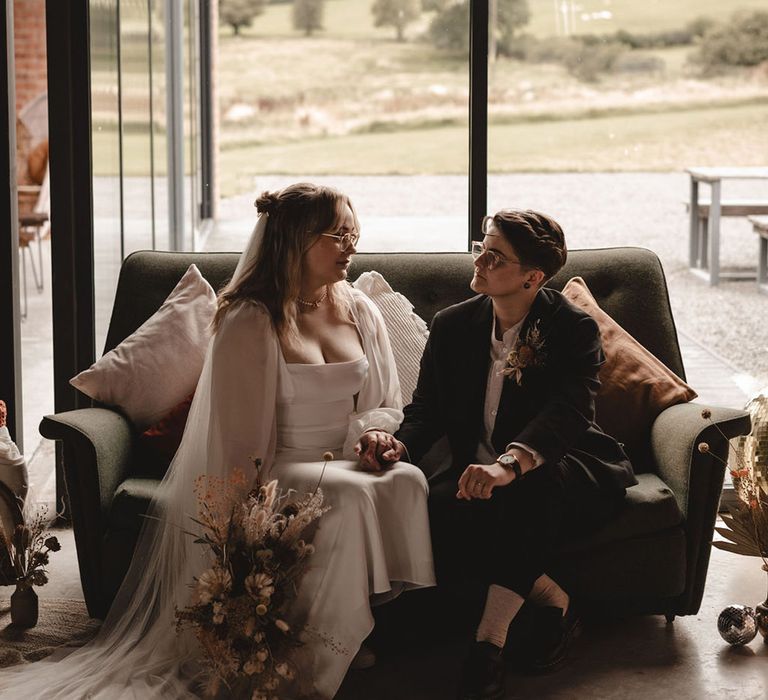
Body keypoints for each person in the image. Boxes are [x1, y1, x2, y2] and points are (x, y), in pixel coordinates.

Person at [0, 183, 435, 699]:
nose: (351, 245)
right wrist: (241, 523)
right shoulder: (251, 319)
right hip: (280, 466)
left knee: (407, 478)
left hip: (347, 456)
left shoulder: (359, 308)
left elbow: (383, 400)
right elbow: (239, 437)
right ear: (296, 240)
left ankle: (342, 621)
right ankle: (320, 657)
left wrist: (376, 436)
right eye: (338, 235)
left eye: (353, 233)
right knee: (354, 494)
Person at [360, 209, 637, 700]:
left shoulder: (572, 328)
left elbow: (568, 412)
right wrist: (400, 445)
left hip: (567, 462)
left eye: (495, 256)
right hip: (480, 469)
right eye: (480, 247)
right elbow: (426, 409)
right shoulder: (452, 325)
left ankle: (488, 644)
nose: (480, 260)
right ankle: (555, 599)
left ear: (533, 277)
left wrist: (509, 464)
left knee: (531, 489)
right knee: (434, 506)